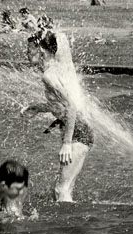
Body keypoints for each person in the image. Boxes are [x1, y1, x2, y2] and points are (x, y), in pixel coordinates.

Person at [24, 29, 92, 202]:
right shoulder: (59, 67)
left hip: (76, 133)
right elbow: (62, 105)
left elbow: (70, 107)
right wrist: (39, 107)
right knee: (65, 189)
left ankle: (71, 228)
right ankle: (71, 225)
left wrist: (67, 143)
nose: (26, 53)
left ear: (40, 51)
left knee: (61, 191)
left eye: (29, 50)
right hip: (79, 129)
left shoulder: (49, 76)